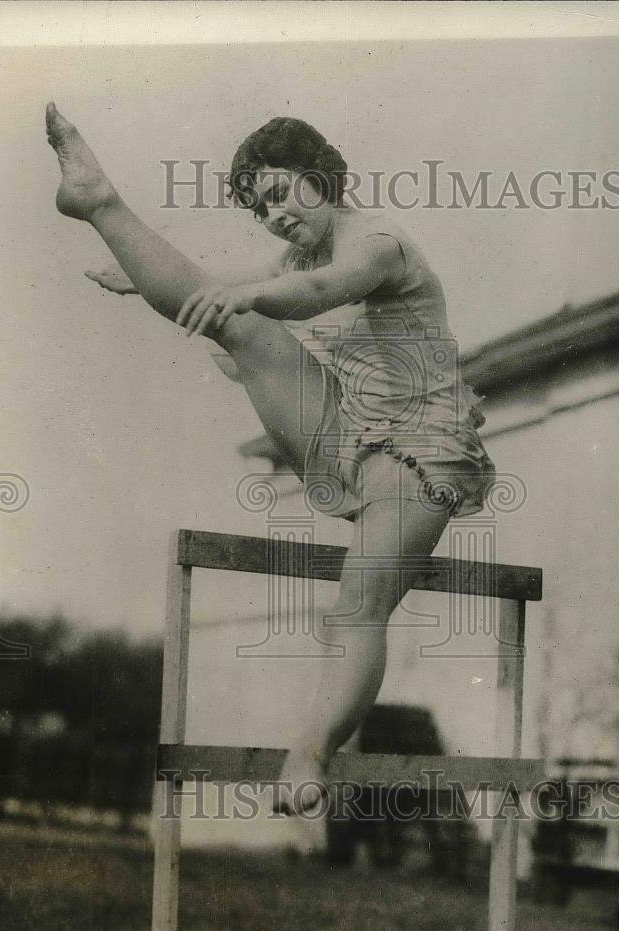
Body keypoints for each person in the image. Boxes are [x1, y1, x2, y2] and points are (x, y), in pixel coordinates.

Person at [46, 104, 496, 815]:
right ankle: (100, 202)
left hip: (422, 453)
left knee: (357, 606)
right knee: (231, 320)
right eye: (259, 209)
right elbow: (228, 284)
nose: (274, 216)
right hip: (351, 433)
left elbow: (316, 292)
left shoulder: (376, 241)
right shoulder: (300, 255)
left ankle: (310, 751)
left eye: (282, 194)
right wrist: (154, 278)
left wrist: (249, 290)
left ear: (320, 175)